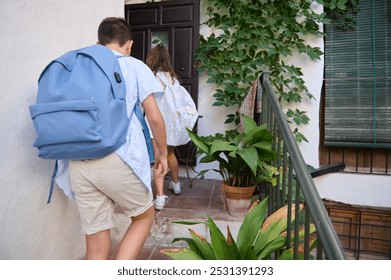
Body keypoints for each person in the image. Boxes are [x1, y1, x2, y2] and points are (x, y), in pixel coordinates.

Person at [56, 17, 168, 260]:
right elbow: (155, 118)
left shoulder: (79, 67)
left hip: (78, 160)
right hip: (118, 157)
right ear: (129, 44)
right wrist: (162, 153)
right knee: (144, 216)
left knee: (95, 249)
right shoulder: (134, 66)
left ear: (98, 43)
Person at [146, 45, 186, 211]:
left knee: (158, 155)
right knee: (169, 153)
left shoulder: (150, 77)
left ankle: (160, 197)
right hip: (170, 122)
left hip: (155, 122)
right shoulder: (172, 79)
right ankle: (176, 185)